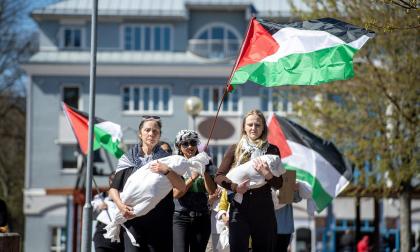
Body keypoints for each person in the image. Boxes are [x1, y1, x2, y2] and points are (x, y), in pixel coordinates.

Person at [109, 116, 186, 252]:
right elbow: (114, 189)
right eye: (147, 130)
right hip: (133, 220)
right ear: (140, 133)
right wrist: (121, 206)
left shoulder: (168, 160)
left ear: (159, 135)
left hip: (160, 222)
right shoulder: (127, 159)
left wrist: (166, 171)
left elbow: (181, 187)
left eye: (155, 131)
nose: (151, 134)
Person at [215, 109, 283, 251]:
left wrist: (267, 174)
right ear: (244, 127)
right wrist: (235, 187)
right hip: (239, 210)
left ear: (263, 127)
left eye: (258, 125)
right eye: (250, 124)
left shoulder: (272, 150)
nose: (253, 128)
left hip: (264, 209)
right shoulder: (235, 148)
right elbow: (219, 176)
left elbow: (280, 183)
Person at [172, 130, 217, 252]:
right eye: (185, 144)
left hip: (201, 216)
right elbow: (176, 194)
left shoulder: (205, 161)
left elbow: (212, 191)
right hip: (180, 217)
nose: (190, 146)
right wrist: (193, 177)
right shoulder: (175, 164)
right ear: (179, 147)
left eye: (193, 143)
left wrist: (204, 171)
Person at [93, 172, 124, 252]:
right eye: (112, 180)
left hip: (120, 235)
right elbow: (91, 214)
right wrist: (99, 207)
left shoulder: (125, 196)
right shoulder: (101, 197)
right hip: (103, 234)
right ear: (109, 182)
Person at [275, 183, 303, 252]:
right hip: (269, 227)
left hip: (284, 228)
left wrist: (296, 190)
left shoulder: (287, 176)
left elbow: (297, 198)